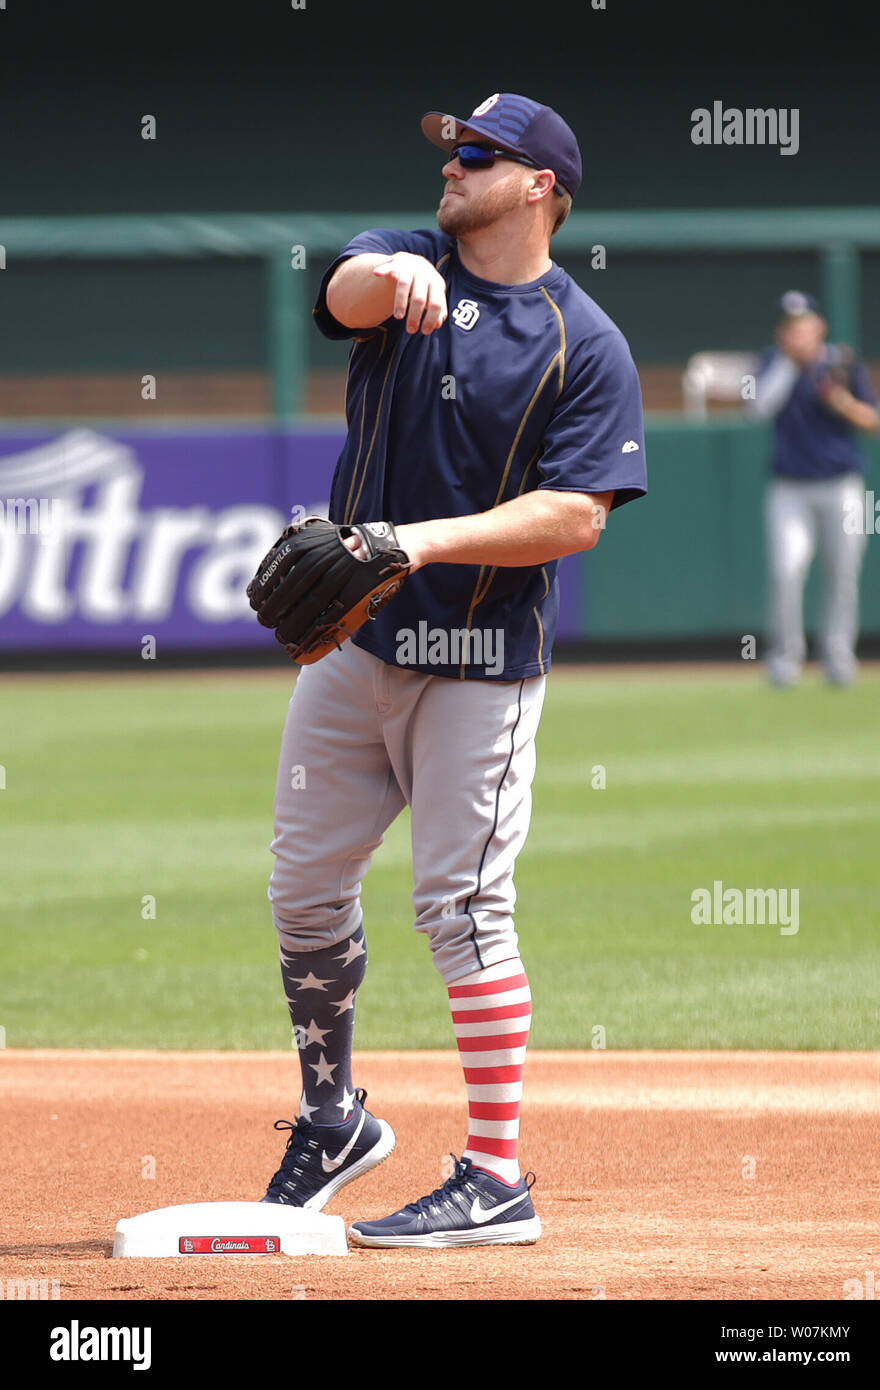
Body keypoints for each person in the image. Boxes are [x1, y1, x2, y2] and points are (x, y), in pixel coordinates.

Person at [260, 92, 647, 1249]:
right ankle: (333, 1115)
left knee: (464, 909)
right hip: (355, 648)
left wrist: (413, 541)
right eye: (450, 149)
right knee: (303, 888)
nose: (453, 165)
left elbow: (577, 515)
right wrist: (386, 278)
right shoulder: (407, 261)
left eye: (478, 154)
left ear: (539, 186)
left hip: (478, 664)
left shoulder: (586, 341)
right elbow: (343, 290)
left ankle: (495, 1177)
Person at [750, 291, 880, 687]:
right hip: (790, 488)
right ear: (781, 334)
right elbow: (757, 407)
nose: (797, 335)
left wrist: (842, 402)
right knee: (786, 570)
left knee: (843, 573)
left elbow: (874, 422)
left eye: (803, 326)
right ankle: (784, 660)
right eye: (789, 328)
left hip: (841, 485)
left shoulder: (842, 363)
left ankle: (839, 658)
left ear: (819, 327)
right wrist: (790, 366)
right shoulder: (772, 362)